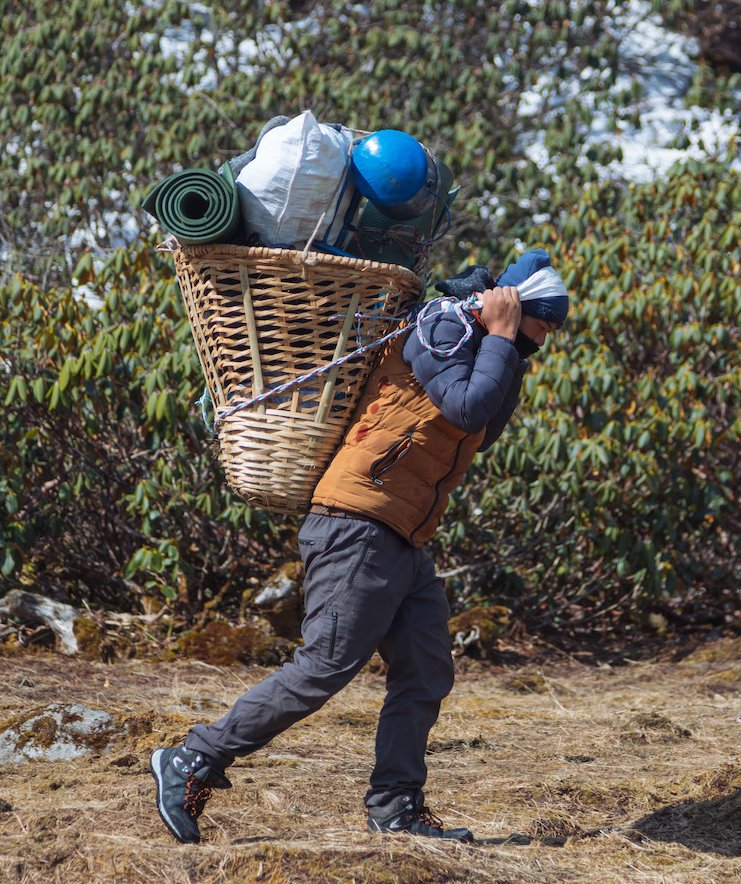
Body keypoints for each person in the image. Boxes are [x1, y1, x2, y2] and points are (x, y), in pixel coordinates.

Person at [152, 248, 570, 843]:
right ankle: (195, 757)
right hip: (357, 520)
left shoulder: (486, 343)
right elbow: (468, 405)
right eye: (544, 320)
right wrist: (500, 335)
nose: (547, 336)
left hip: (403, 531)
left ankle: (396, 807)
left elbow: (484, 424)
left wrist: (505, 348)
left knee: (425, 671)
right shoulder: (442, 325)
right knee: (326, 663)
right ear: (517, 305)